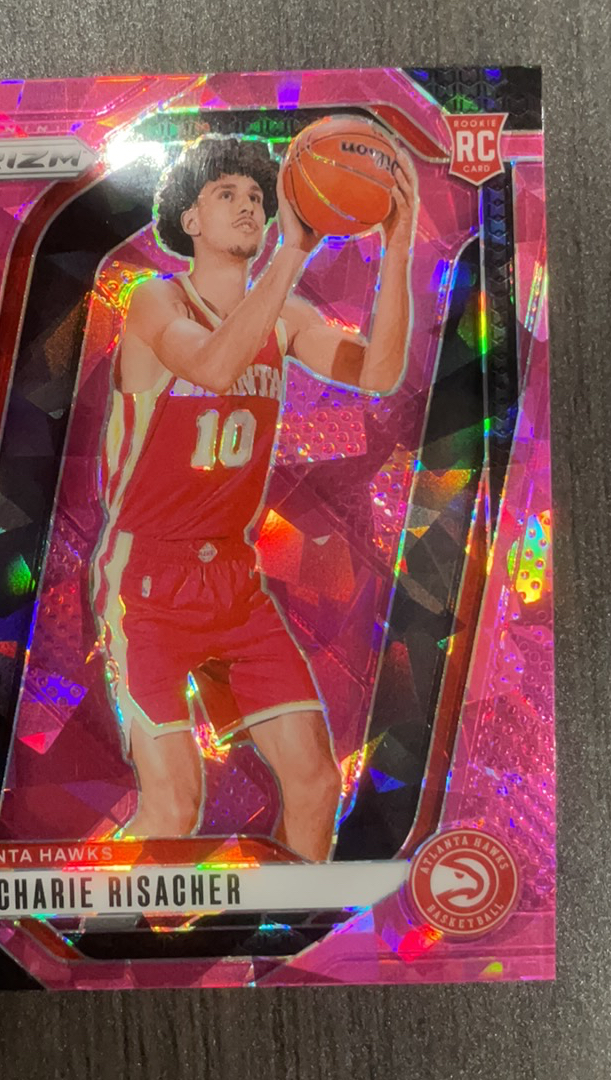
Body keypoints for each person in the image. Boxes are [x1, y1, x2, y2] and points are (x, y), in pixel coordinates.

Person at [91, 133, 416, 862]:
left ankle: (284, 928)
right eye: (226, 194)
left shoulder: (286, 316)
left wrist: (397, 247)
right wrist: (294, 252)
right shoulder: (154, 301)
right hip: (147, 581)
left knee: (315, 784)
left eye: (258, 197)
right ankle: (91, 911)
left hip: (235, 581)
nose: (249, 205)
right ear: (190, 220)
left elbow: (379, 373)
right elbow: (212, 365)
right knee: (175, 805)